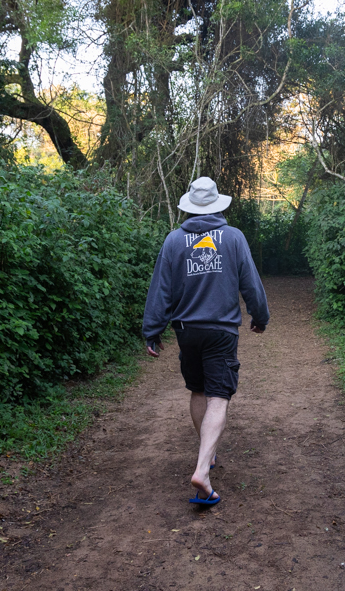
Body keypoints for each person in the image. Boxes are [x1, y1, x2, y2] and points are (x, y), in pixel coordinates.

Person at [142, 176, 270, 507]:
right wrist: (260, 316)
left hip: (186, 330)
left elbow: (161, 288)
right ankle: (202, 470)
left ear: (190, 207)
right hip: (221, 331)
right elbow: (250, 283)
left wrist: (152, 329)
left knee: (199, 390)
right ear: (216, 205)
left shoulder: (173, 241)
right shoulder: (234, 237)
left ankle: (207, 454)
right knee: (218, 396)